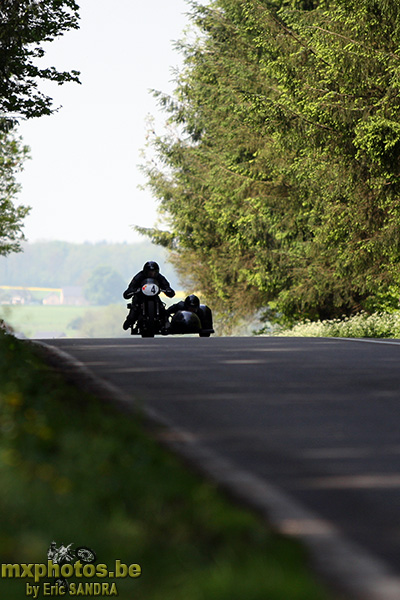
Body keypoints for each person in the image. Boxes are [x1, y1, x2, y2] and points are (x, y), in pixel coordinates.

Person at [122, 261, 175, 331]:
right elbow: (130, 288)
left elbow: (166, 286)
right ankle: (130, 320)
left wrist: (167, 290)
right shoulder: (139, 276)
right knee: (133, 313)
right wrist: (134, 290)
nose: (151, 274)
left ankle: (165, 323)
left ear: (157, 272)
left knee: (163, 310)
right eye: (149, 272)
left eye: (153, 272)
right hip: (140, 297)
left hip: (154, 297)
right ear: (145, 271)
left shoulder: (160, 277)